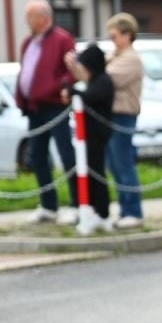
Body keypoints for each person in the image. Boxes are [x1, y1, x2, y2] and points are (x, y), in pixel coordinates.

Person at [15, 0, 78, 225]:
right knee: (38, 157)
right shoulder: (28, 42)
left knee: (66, 154)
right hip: (34, 108)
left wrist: (63, 86)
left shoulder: (62, 39)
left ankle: (77, 204)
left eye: (30, 16)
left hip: (55, 107)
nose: (27, 21)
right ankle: (48, 205)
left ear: (43, 17)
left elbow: (73, 70)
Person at [103, 13, 146, 230]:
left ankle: (133, 211)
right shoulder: (116, 55)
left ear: (127, 35)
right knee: (115, 165)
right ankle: (124, 209)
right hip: (112, 115)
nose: (112, 41)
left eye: (115, 36)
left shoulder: (130, 58)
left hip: (123, 115)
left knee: (123, 163)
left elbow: (106, 79)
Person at [67, 43, 114, 227]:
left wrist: (73, 92)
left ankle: (102, 212)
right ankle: (93, 208)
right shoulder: (95, 80)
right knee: (88, 172)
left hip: (97, 135)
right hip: (88, 135)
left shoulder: (103, 81)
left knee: (96, 172)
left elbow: (90, 97)